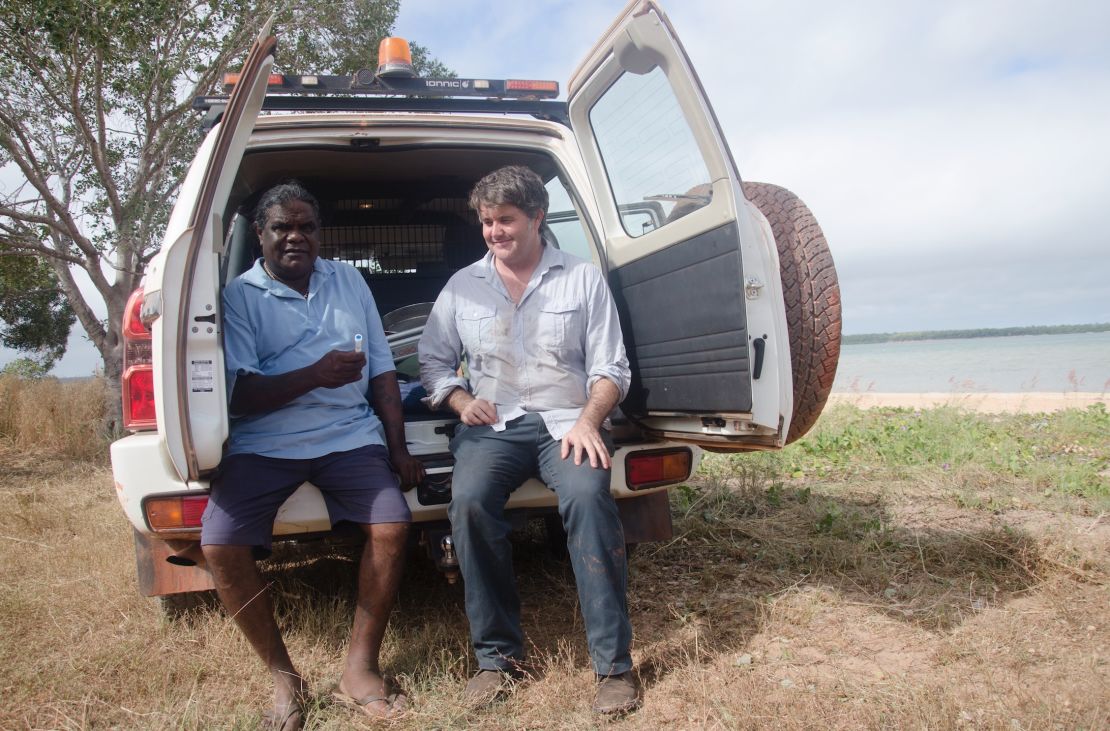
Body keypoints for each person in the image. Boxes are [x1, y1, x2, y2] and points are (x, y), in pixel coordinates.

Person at [200, 181, 424, 730]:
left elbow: (384, 371)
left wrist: (398, 448)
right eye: (283, 227)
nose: (296, 237)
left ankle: (360, 669)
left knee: (392, 528)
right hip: (265, 442)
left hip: (349, 435)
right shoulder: (240, 297)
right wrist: (315, 375)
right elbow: (240, 396)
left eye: (306, 227)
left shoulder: (348, 280)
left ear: (320, 234)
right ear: (260, 235)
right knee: (220, 543)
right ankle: (283, 675)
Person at [418, 165, 640, 714]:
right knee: (468, 503)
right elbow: (432, 363)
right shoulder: (462, 286)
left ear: (537, 218)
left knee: (589, 499)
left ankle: (614, 669)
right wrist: (460, 400)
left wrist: (590, 421)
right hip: (494, 427)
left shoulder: (582, 278)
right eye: (487, 222)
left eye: (506, 220)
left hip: (568, 420)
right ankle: (498, 661)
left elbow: (612, 366)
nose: (495, 231)